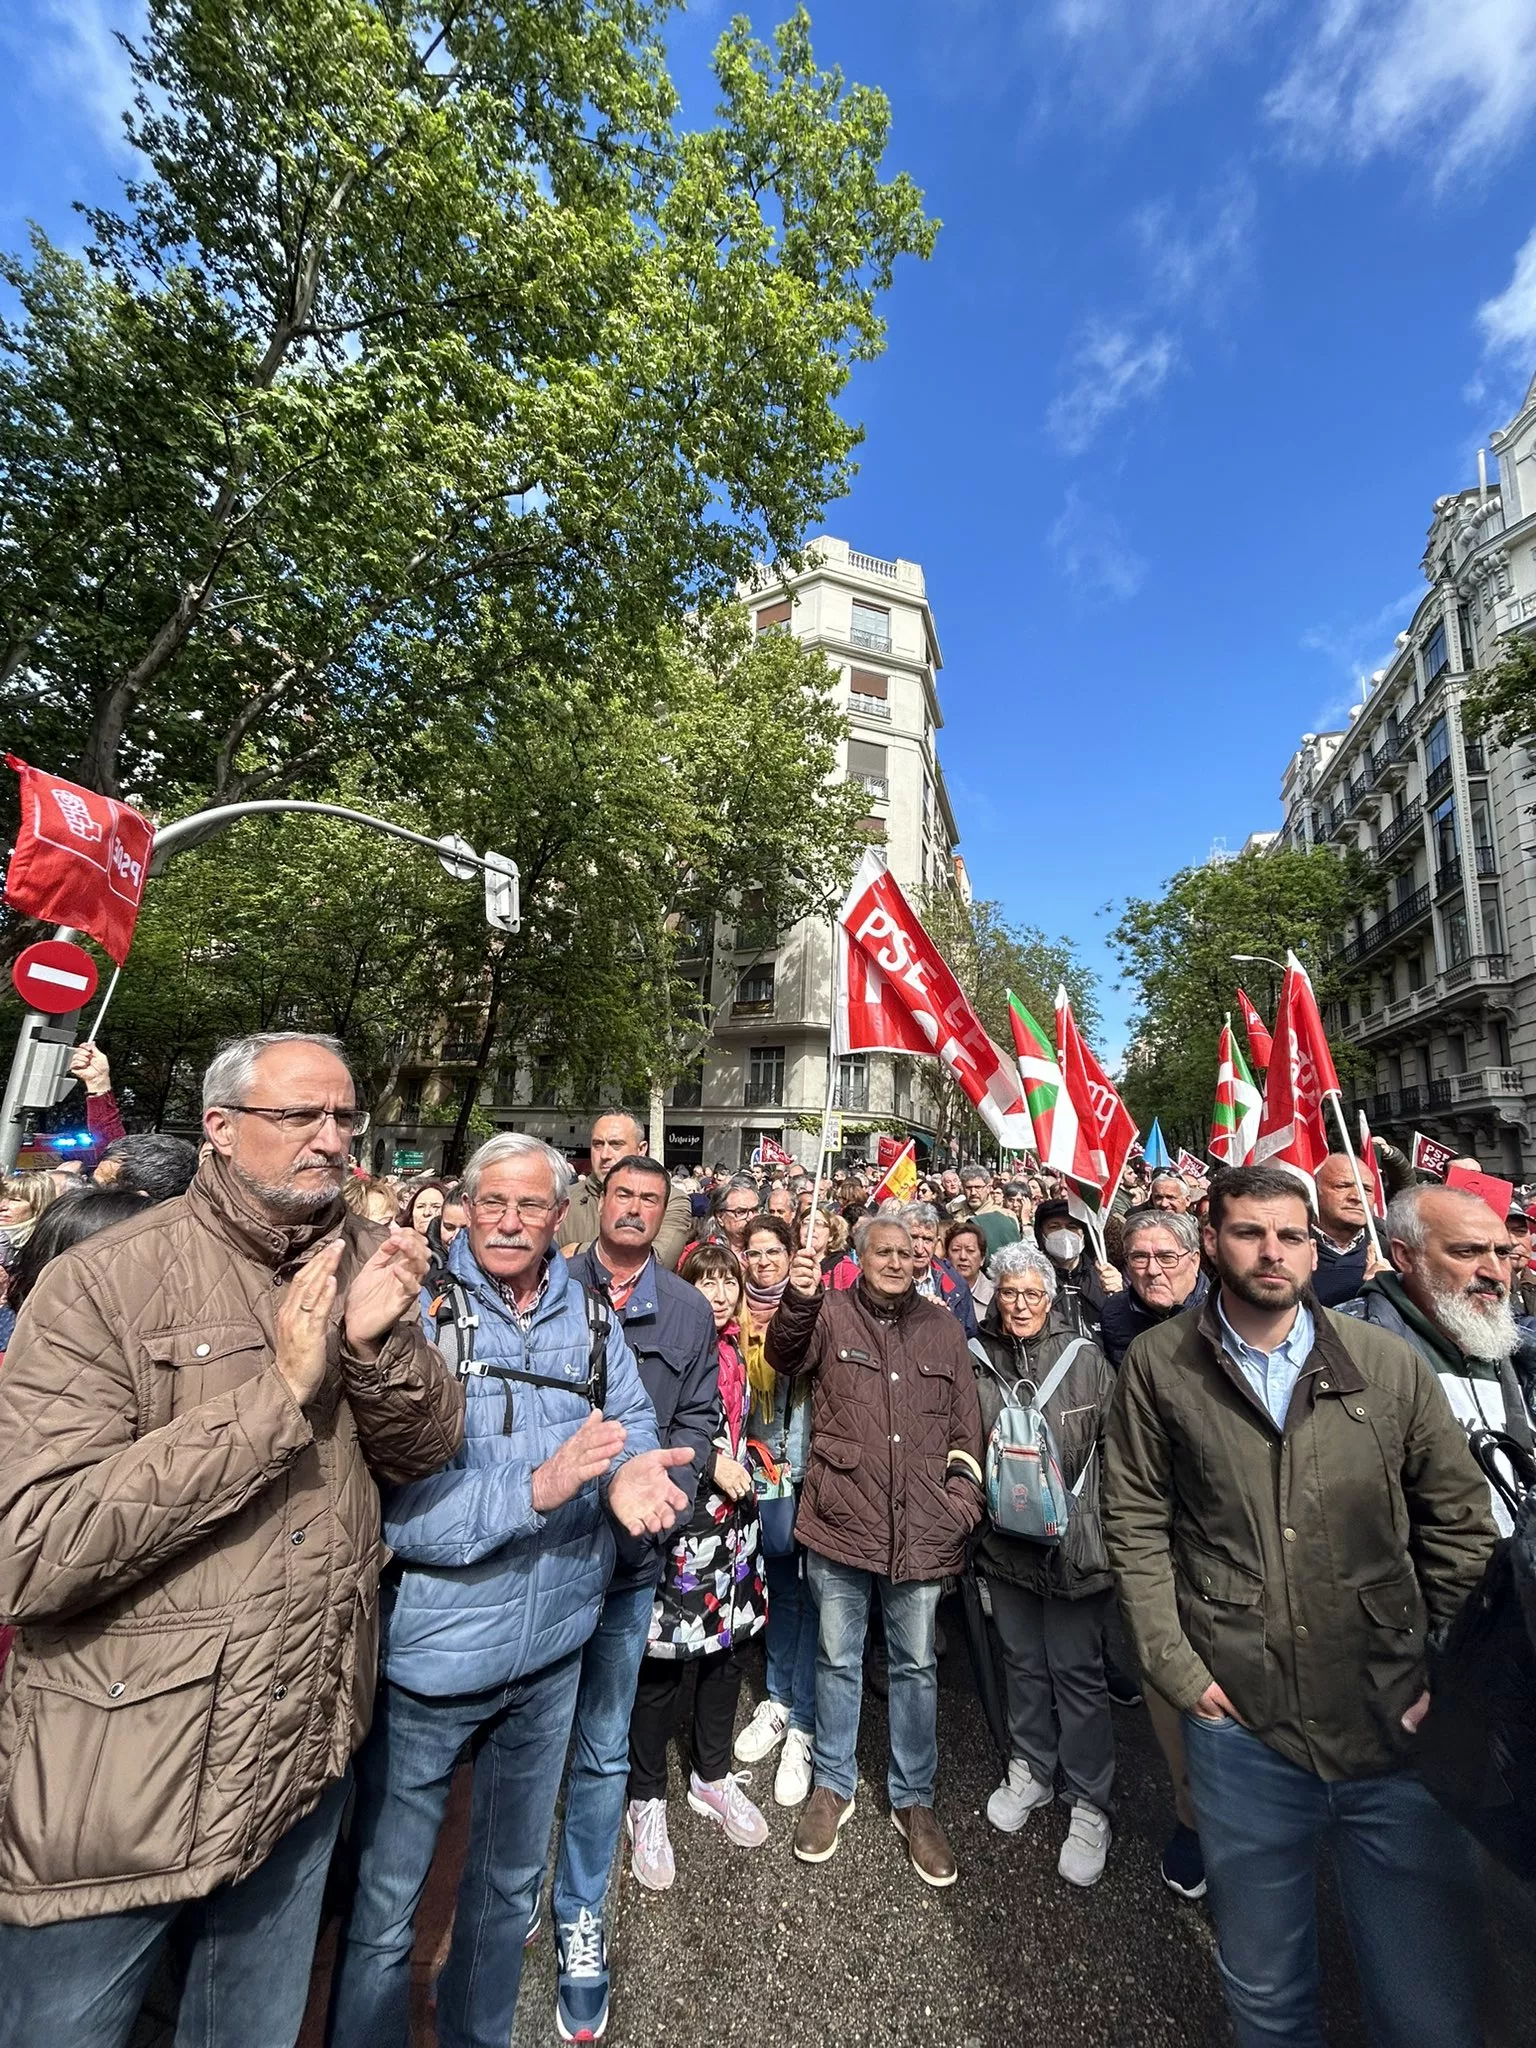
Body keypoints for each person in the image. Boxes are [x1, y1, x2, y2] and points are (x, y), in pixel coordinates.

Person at [0, 1031, 464, 2048]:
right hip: (119, 1785)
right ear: (219, 1126)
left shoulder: (357, 1253)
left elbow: (427, 1447)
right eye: (300, 1115)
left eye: (344, 1117)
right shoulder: (104, 1281)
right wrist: (276, 1399)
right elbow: (28, 1549)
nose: (333, 1138)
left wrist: (371, 1347)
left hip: (299, 1754)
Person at [1104, 1164, 1497, 2048]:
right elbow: (1132, 1522)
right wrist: (1176, 1666)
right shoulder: (1162, 1368)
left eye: (1291, 1235)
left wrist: (1448, 1668)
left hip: (1393, 1716)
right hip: (1244, 1725)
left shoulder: (1388, 1364)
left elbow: (1459, 1526)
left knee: (1428, 2006)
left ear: (1315, 1249)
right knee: (1269, 1996)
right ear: (1212, 1241)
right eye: (1249, 1232)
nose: (1272, 1252)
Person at [326, 1133, 693, 2048]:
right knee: (384, 1911)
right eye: (495, 1202)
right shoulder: (413, 1310)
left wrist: (629, 1472)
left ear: (560, 1214)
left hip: (553, 1653)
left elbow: (631, 1421)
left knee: (499, 1897)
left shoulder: (595, 1317)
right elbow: (388, 1508)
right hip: (432, 1659)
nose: (512, 1222)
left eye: (533, 1206)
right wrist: (538, 1488)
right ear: (465, 1203)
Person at [549, 1156, 723, 2039]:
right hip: (540, 1547)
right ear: (598, 1198)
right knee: (530, 1733)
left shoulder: (687, 1309)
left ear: (665, 1218)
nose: (637, 1210)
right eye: (624, 1195)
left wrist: (670, 1502)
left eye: (653, 1202)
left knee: (607, 1731)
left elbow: (701, 1421)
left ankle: (583, 1909)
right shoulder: (547, 1279)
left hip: (629, 1556)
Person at [766, 1216, 984, 1886]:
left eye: (906, 1251)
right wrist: (799, 1298)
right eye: (881, 1251)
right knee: (836, 1659)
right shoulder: (828, 1312)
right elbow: (783, 1355)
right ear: (857, 1258)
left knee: (916, 1666)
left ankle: (914, 1799)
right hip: (840, 1520)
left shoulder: (943, 1327)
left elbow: (965, 1424)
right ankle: (834, 1783)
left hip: (922, 1528)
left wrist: (961, 1501)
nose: (896, 1260)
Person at [626, 1243, 769, 1886]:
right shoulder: (659, 1342)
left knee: (725, 1655)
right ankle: (646, 1794)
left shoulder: (744, 1351)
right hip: (677, 1522)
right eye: (704, 1282)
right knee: (660, 1663)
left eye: (727, 1283)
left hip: (734, 1531)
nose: (718, 1294)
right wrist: (713, 1462)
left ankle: (711, 1776)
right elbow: (646, 1425)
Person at [973, 1245, 1116, 1885]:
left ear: (1053, 1297)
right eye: (1010, 1293)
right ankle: (1031, 1765)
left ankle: (1090, 1800)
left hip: (1073, 1545)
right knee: (1022, 1660)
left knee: (1078, 1672)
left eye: (1034, 1294)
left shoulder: (1086, 1361)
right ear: (995, 1296)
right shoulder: (977, 1361)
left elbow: (1116, 1451)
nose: (1022, 1305)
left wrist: (1093, 1526)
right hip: (1004, 1542)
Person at [1338, 1183, 1536, 1511]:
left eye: (1501, 1252)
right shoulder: (1346, 1347)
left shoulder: (1524, 1353)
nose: (1494, 1272)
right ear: (1404, 1256)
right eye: (1466, 1252)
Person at [733, 1215, 821, 1804]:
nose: (765, 1261)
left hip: (813, 1477)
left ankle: (807, 1723)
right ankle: (778, 1699)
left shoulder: (818, 1311)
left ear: (794, 1256)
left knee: (819, 1597)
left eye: (775, 1251)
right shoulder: (729, 1320)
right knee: (782, 1591)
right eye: (755, 1252)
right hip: (758, 1484)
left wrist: (804, 1303)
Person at [562, 1112, 694, 1269]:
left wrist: (578, 1250)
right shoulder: (563, 1199)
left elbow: (658, 1260)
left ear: (641, 1149)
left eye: (616, 1145)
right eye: (597, 1144)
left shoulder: (672, 1200)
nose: (604, 1155)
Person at [1098, 1206, 1207, 1370]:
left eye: (1166, 1258)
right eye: (1139, 1257)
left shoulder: (1225, 1313)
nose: (1152, 1270)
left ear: (1194, 1261)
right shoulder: (1114, 1313)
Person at [1032, 1198, 1119, 1338]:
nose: (1064, 1234)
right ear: (1041, 1234)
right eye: (1054, 1226)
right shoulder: (1031, 1278)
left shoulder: (1103, 1276)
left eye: (1072, 1227)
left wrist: (1121, 1296)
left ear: (1083, 1234)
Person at [902, 1200, 979, 1337]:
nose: (920, 1249)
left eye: (927, 1240)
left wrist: (947, 1322)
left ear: (936, 1243)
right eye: (913, 1238)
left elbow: (969, 1339)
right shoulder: (881, 1280)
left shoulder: (956, 1284)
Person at [1310, 1152, 1375, 1308]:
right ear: (1314, 1190)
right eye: (1342, 1186)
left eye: (1366, 1189)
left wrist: (1389, 1289)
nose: (1357, 1196)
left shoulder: (1394, 1253)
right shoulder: (1284, 1250)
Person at [959, 1165, 1020, 1258]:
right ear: (962, 1188)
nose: (973, 1192)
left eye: (978, 1187)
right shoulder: (951, 1210)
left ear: (988, 1188)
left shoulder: (1004, 1216)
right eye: (968, 1188)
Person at [945, 1216, 993, 1313]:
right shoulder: (936, 1292)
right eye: (956, 1250)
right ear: (946, 1256)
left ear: (982, 1259)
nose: (963, 1257)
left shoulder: (995, 1297)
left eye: (970, 1250)